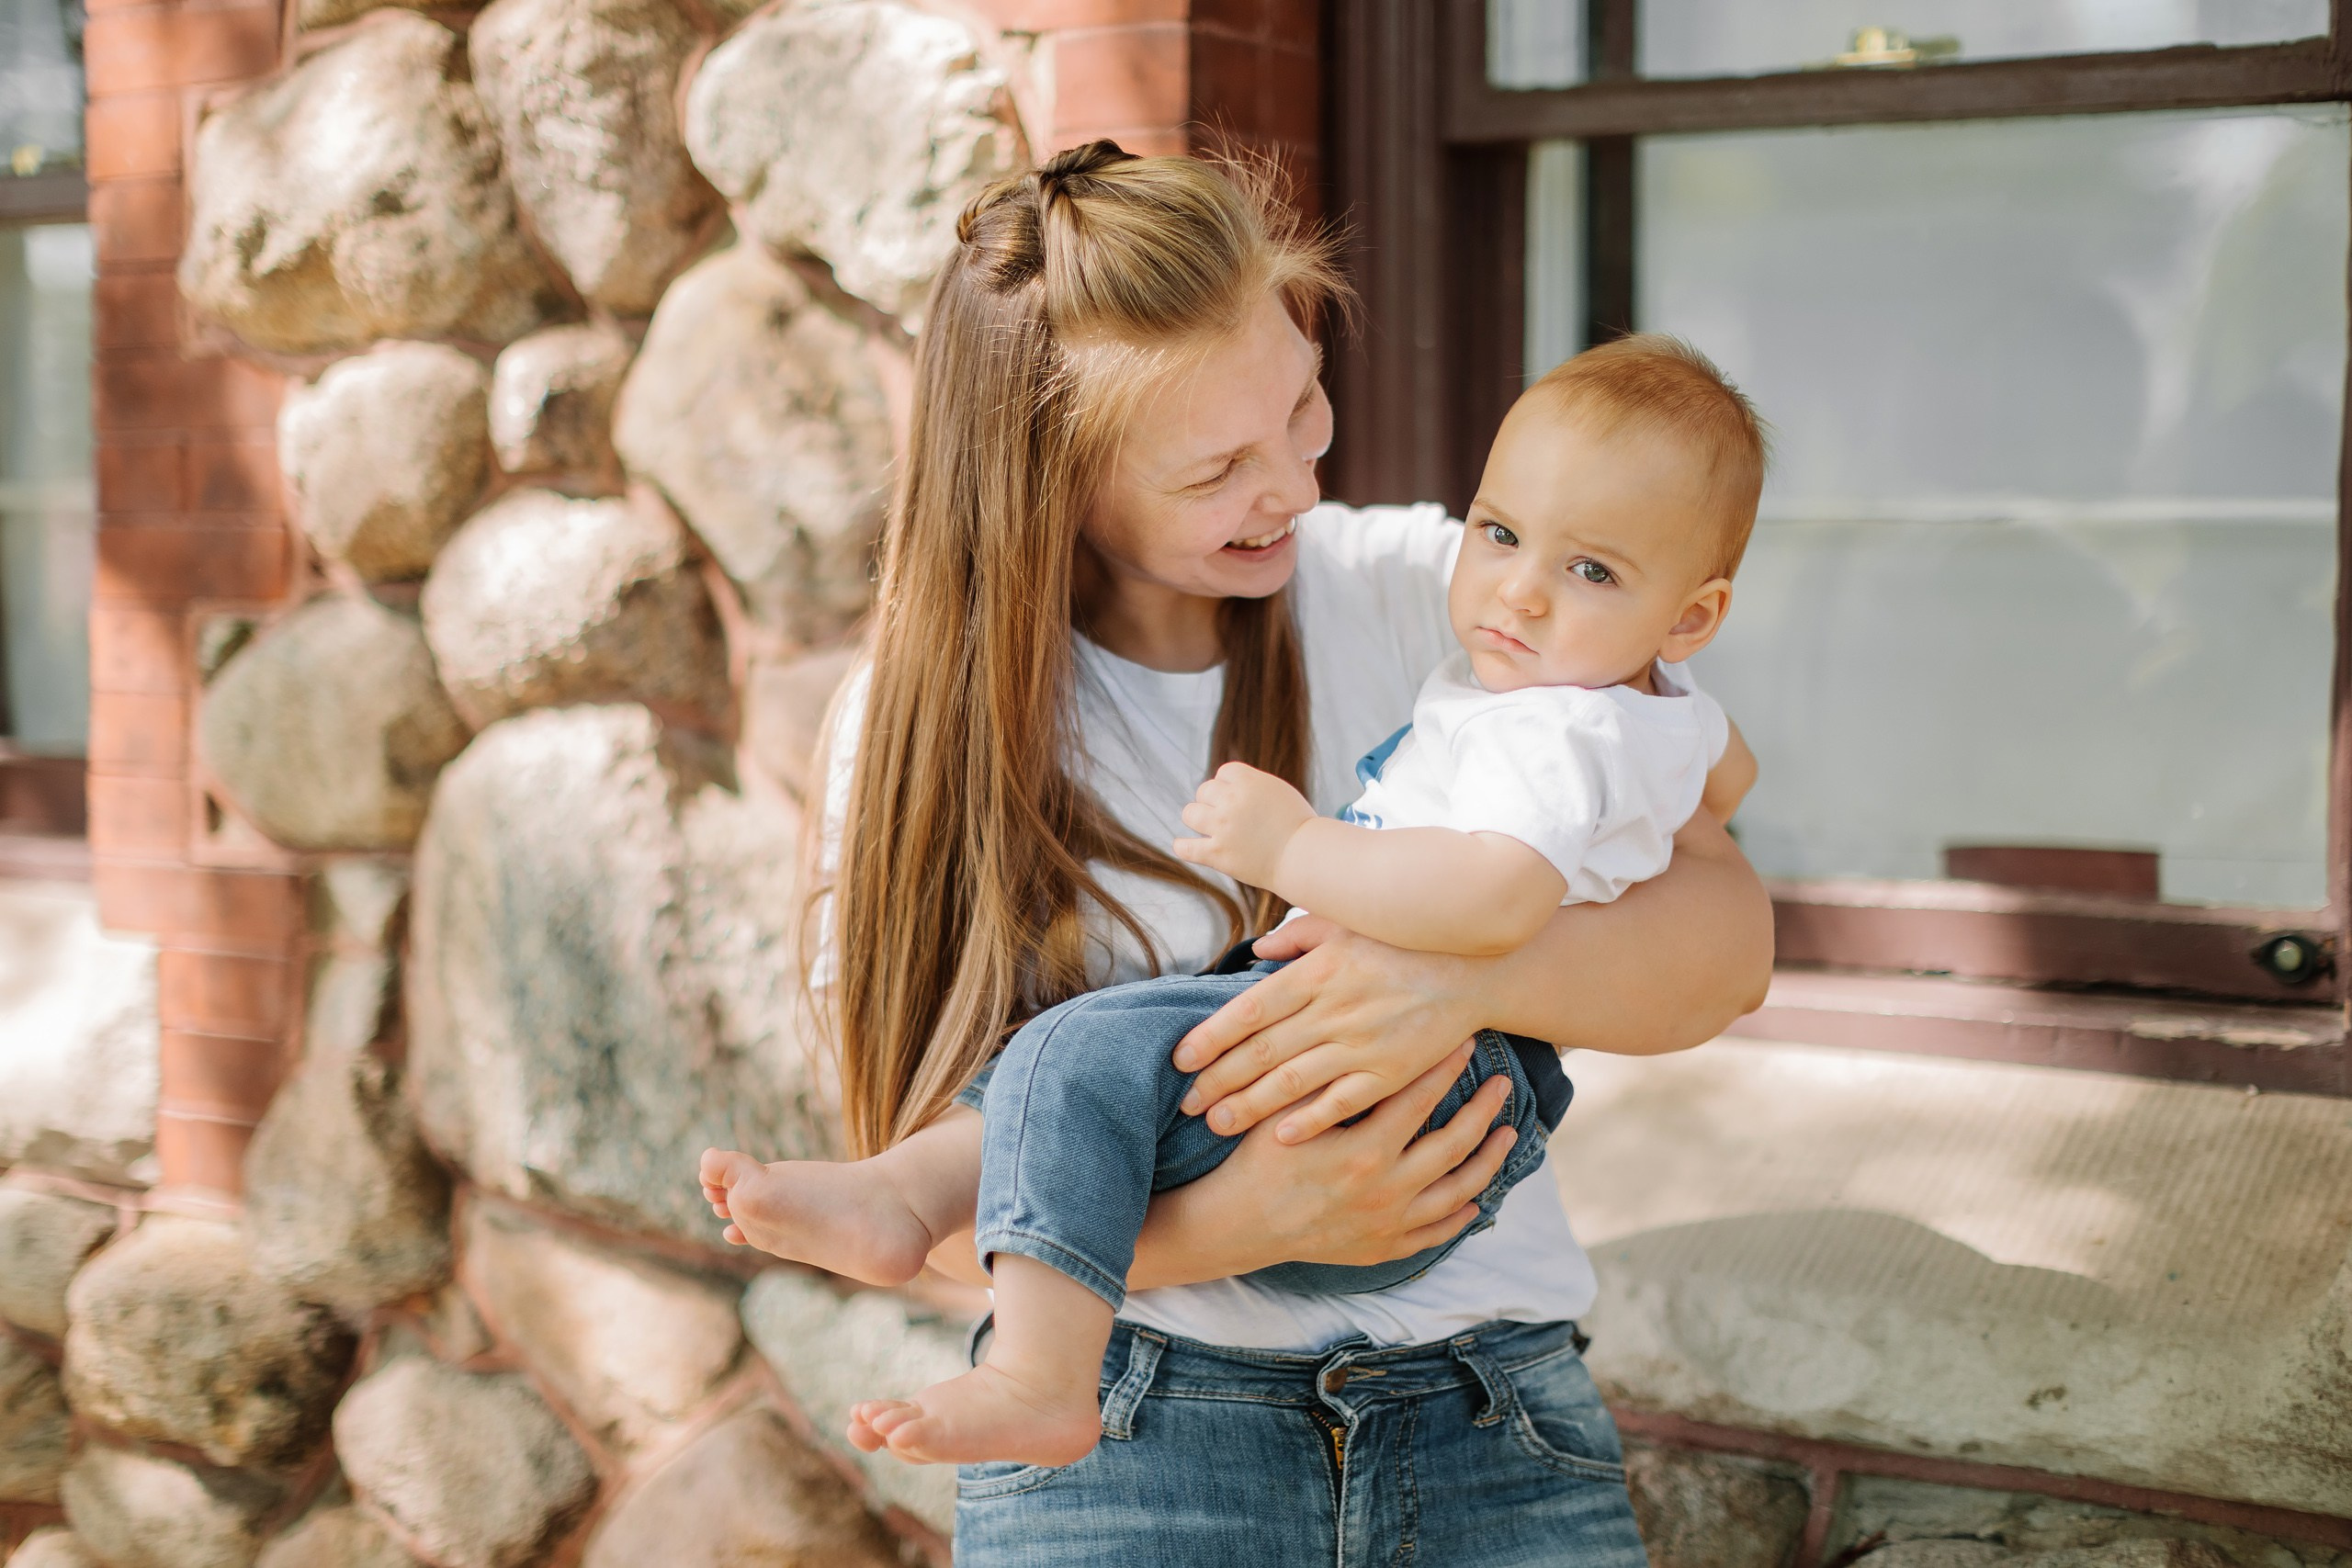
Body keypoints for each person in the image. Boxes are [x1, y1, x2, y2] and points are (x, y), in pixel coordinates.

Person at [702, 142, 1773, 1565]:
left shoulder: (1454, 598)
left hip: (1488, 1409)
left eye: (1304, 406)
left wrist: (1460, 981)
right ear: (1055, 485)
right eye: (1219, 469)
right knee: (1051, 1080)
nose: (1295, 486)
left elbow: (1727, 950)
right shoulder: (923, 734)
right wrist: (1248, 1222)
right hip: (1129, 1434)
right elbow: (966, 1208)